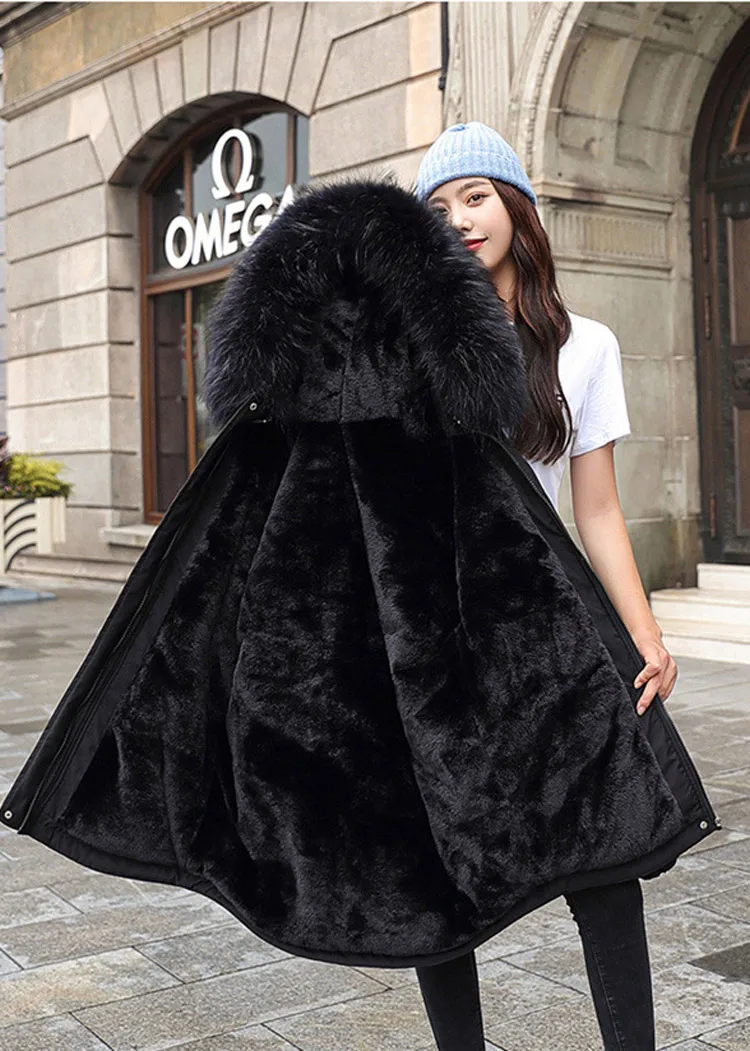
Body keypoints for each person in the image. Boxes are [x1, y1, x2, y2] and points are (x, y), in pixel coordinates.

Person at [410, 121, 679, 1051]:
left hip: (550, 632)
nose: (460, 220)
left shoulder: (584, 347)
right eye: (438, 209)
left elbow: (597, 510)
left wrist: (645, 632)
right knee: (436, 875)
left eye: (476, 196)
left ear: (516, 207)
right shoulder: (410, 347)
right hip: (435, 638)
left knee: (606, 858)